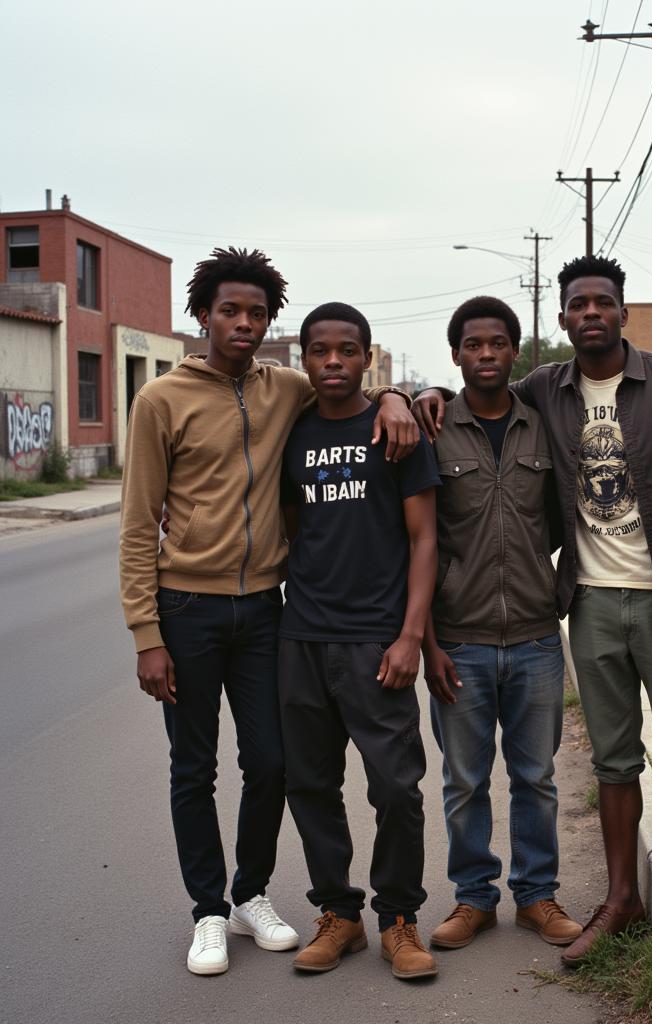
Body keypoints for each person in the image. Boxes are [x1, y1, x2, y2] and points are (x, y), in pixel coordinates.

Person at [414, 256, 652, 967]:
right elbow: (470, 390)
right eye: (577, 304)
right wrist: (416, 393)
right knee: (613, 758)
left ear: (620, 311)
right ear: (560, 320)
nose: (590, 313)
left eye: (602, 302)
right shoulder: (543, 389)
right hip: (586, 601)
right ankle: (618, 897)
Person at [119, 248, 416, 976]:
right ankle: (209, 911)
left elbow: (350, 385)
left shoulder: (286, 387)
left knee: (273, 764)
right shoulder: (161, 400)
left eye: (257, 313)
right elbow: (137, 523)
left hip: (264, 612)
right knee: (194, 767)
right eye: (231, 311)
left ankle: (251, 893)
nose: (245, 323)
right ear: (202, 317)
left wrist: (405, 397)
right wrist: (146, 633)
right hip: (186, 608)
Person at [279, 302, 440, 981]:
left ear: (368, 357)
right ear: (306, 359)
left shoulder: (395, 432)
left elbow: (425, 538)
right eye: (321, 351)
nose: (334, 362)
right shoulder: (291, 432)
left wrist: (410, 637)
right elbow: (291, 531)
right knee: (310, 784)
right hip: (303, 638)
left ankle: (398, 920)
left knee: (396, 790)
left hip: (377, 641)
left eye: (348, 350)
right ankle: (338, 915)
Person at [423, 297, 582, 952]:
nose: (485, 354)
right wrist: (428, 640)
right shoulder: (431, 429)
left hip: (537, 639)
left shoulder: (542, 428)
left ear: (515, 351)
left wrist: (559, 595)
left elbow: (571, 514)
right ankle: (473, 899)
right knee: (464, 780)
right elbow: (418, 540)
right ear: (456, 353)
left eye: (497, 344)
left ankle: (537, 896)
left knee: (536, 778)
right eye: (472, 344)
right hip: (457, 640)